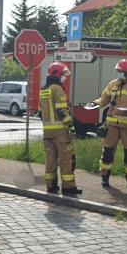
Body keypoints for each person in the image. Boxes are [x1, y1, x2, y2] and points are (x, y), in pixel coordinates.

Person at [87, 59, 127, 189]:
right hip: (112, 125)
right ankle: (104, 177)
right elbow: (104, 99)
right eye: (118, 71)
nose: (119, 73)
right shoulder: (113, 84)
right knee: (107, 152)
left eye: (121, 71)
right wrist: (94, 103)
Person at [39, 62, 82, 195]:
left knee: (50, 160)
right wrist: (71, 125)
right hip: (60, 132)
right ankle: (69, 187)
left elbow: (41, 112)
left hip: (47, 132)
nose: (65, 77)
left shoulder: (43, 90)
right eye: (63, 75)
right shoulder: (58, 89)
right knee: (66, 159)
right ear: (57, 75)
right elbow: (61, 110)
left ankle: (51, 186)